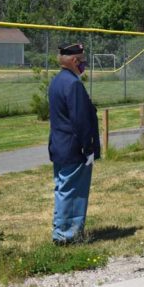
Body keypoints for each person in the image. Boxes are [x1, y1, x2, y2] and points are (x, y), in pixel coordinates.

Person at [48, 42, 101, 243]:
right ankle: (67, 235)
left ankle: (60, 230)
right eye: (82, 61)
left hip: (60, 146)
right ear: (74, 60)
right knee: (73, 192)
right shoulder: (73, 84)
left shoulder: (57, 81)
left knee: (63, 190)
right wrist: (88, 148)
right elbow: (80, 120)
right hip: (74, 148)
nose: (84, 64)